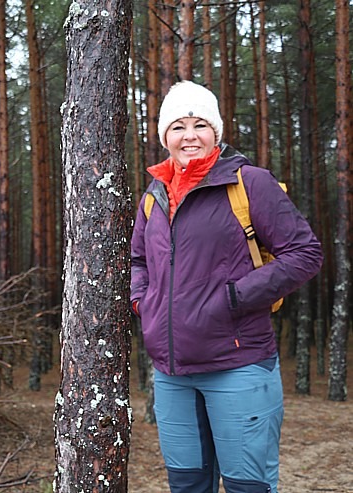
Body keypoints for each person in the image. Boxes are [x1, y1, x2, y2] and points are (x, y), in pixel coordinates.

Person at [130, 80, 322, 493]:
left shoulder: (249, 182)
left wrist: (235, 297)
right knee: (186, 486)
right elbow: (139, 260)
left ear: (215, 131)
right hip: (171, 373)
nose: (189, 136)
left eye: (200, 124)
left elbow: (304, 253)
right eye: (178, 126)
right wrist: (143, 303)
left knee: (246, 486)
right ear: (166, 136)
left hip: (238, 366)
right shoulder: (155, 195)